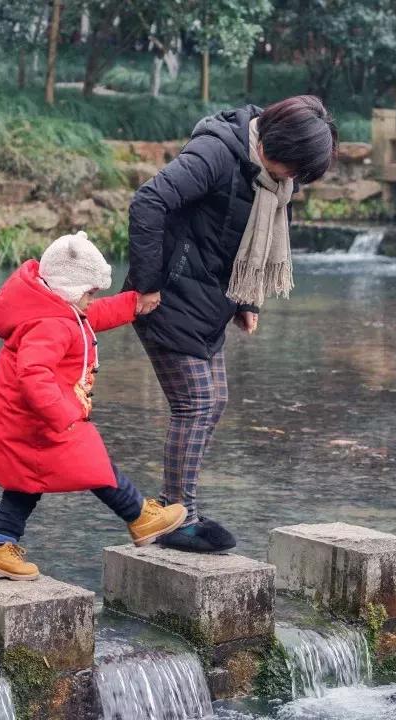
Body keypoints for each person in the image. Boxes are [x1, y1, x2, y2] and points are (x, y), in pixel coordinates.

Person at [126, 95, 338, 552]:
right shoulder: (217, 153)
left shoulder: (272, 179)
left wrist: (249, 299)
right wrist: (145, 285)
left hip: (209, 303)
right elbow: (147, 203)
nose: (294, 181)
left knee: (213, 401)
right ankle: (177, 516)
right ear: (273, 145)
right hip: (167, 296)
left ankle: (178, 509)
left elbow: (247, 239)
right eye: (295, 169)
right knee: (197, 404)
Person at [0, 231, 187, 580]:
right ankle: (140, 517)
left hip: (31, 417)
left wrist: (133, 304)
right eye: (89, 293)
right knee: (93, 464)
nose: (92, 300)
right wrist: (65, 413)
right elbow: (33, 374)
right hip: (44, 417)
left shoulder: (55, 309)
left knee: (26, 483)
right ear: (69, 289)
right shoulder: (50, 325)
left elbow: (91, 317)